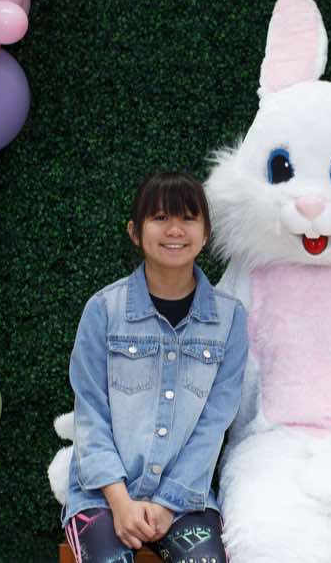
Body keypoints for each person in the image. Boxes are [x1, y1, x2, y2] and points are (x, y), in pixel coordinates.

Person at [62, 171, 247, 563]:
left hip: (186, 498)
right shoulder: (103, 309)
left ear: (206, 233)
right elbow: (90, 414)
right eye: (160, 217)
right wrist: (120, 501)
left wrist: (167, 503)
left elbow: (214, 423)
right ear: (135, 231)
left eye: (188, 218)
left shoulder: (231, 319)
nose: (175, 230)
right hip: (102, 496)